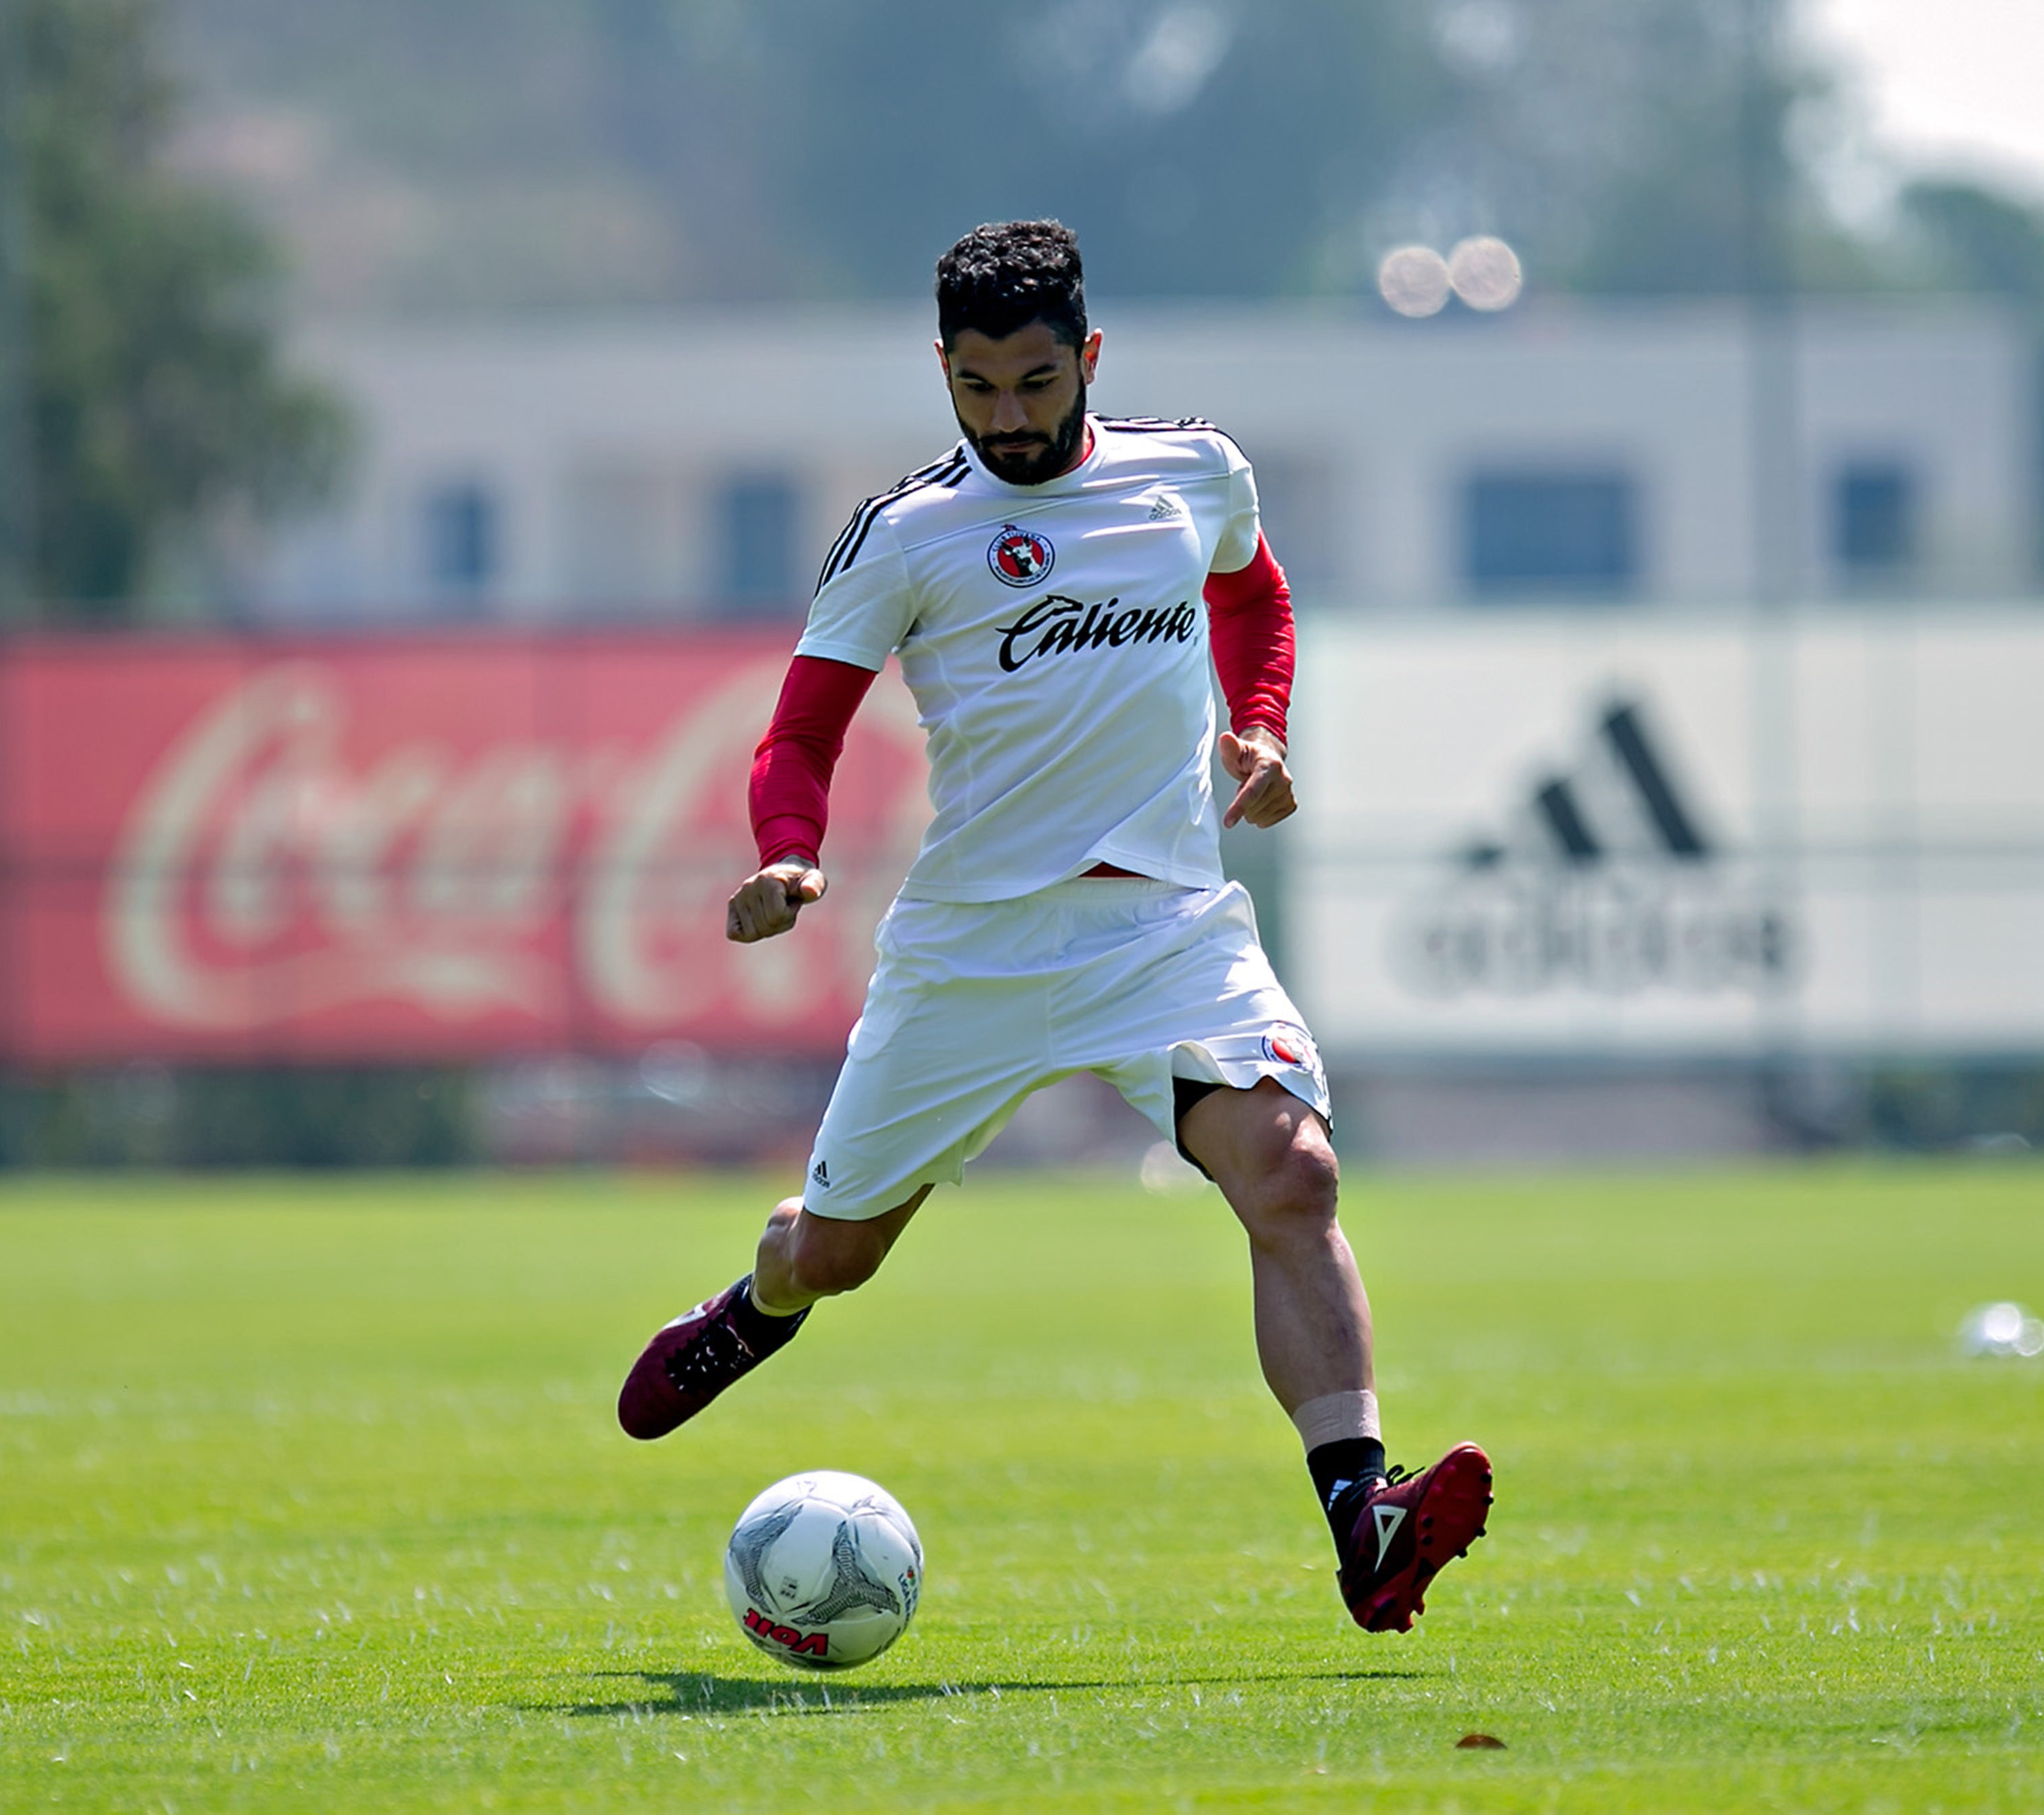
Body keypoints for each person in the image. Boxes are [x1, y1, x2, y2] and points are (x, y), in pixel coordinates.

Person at [619, 220, 1489, 1634]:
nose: (1008, 416)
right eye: (976, 388)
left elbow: (1251, 592)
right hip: (970, 953)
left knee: (1294, 1177)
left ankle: (1361, 1515)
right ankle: (757, 1300)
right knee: (838, 1255)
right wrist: (790, 859)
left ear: (1086, 358)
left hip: (1163, 934)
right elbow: (800, 733)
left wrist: (1258, 730)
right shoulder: (906, 534)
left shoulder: (1190, 472)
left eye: (1033, 381)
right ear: (943, 373)